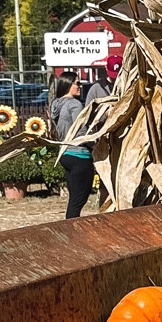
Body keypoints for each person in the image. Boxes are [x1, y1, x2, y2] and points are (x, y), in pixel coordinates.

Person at [53, 71, 109, 219]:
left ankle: (70, 227)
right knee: (78, 201)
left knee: (73, 199)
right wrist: (96, 144)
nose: (80, 86)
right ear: (67, 84)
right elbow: (81, 131)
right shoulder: (74, 104)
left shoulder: (56, 104)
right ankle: (71, 232)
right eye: (77, 83)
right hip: (80, 155)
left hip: (65, 153)